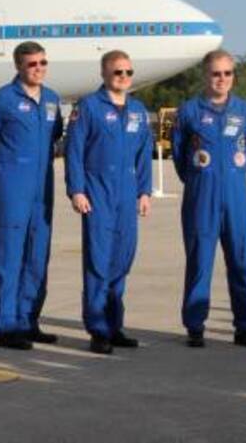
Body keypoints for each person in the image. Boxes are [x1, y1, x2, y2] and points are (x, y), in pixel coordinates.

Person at [172, 49, 246, 349]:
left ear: (233, 76)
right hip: (201, 195)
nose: (221, 79)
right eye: (216, 73)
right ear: (205, 75)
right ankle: (195, 326)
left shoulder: (245, 110)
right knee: (200, 261)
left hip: (236, 194)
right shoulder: (189, 112)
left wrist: (239, 168)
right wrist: (201, 178)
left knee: (241, 260)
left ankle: (245, 327)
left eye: (227, 73)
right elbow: (179, 154)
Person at [65, 51, 153, 354]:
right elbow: (74, 151)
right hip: (97, 193)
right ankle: (98, 330)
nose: (124, 77)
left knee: (122, 261)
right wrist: (76, 190)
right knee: (98, 263)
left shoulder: (138, 111)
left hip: (128, 194)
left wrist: (145, 192)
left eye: (129, 72)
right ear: (104, 74)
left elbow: (144, 155)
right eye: (118, 72)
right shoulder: (88, 107)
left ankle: (115, 326)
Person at [0, 41, 63, 350]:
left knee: (37, 257)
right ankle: (6, 323)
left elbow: (54, 138)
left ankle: (29, 319)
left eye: (43, 62)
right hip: (11, 190)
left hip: (42, 191)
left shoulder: (52, 100)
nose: (39, 69)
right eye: (32, 64)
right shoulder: (1, 101)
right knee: (9, 258)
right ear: (18, 66)